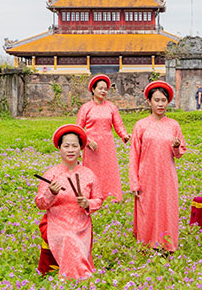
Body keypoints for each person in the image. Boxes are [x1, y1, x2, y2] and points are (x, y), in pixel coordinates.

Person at [35, 125, 103, 279]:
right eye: (66, 146)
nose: (70, 150)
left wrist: (87, 204)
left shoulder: (89, 174)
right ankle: (78, 276)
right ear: (59, 148)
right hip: (57, 222)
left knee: (73, 235)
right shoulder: (51, 173)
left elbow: (99, 199)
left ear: (81, 148)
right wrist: (51, 193)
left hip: (81, 223)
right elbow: (40, 204)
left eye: (75, 146)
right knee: (68, 237)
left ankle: (73, 275)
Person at [129, 81, 187, 252]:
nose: (160, 104)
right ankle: (147, 244)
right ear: (149, 102)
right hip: (146, 175)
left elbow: (178, 154)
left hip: (167, 175)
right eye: (157, 100)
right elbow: (134, 155)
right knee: (147, 209)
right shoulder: (141, 125)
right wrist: (134, 182)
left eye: (163, 100)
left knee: (167, 209)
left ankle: (167, 245)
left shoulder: (173, 125)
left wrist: (176, 146)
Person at [76, 75, 130, 204]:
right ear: (93, 89)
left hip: (107, 146)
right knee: (92, 171)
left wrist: (125, 135)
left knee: (109, 171)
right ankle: (92, 196)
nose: (103, 91)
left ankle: (112, 196)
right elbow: (78, 128)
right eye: (100, 88)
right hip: (91, 147)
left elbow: (118, 125)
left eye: (105, 89)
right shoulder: (86, 108)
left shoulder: (111, 107)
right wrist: (87, 141)